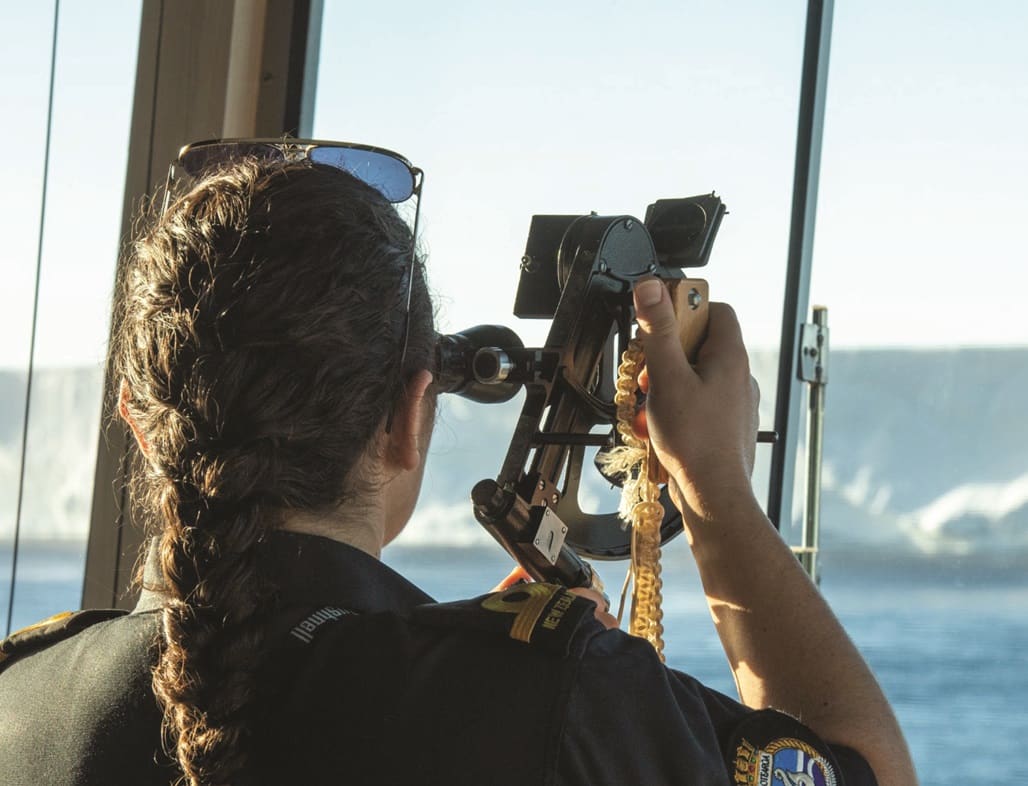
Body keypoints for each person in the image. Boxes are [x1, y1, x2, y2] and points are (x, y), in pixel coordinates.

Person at [0, 145, 918, 786]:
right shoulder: (554, 704)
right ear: (409, 418)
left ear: (142, 428)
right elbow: (865, 771)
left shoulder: (17, 699)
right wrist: (714, 487)